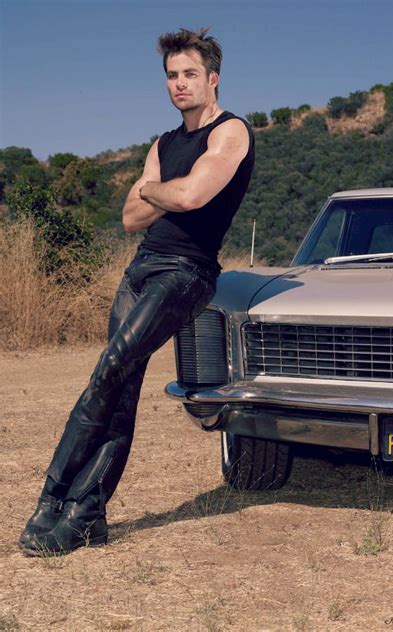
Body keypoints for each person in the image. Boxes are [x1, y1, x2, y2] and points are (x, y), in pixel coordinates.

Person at [18, 27, 255, 556]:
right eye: (172, 76)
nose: (179, 84)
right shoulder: (164, 143)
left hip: (186, 273)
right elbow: (131, 217)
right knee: (118, 389)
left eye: (190, 74)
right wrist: (156, 190)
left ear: (213, 78)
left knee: (107, 369)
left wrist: (154, 190)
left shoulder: (231, 132)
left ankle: (53, 500)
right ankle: (88, 517)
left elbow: (193, 195)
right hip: (141, 268)